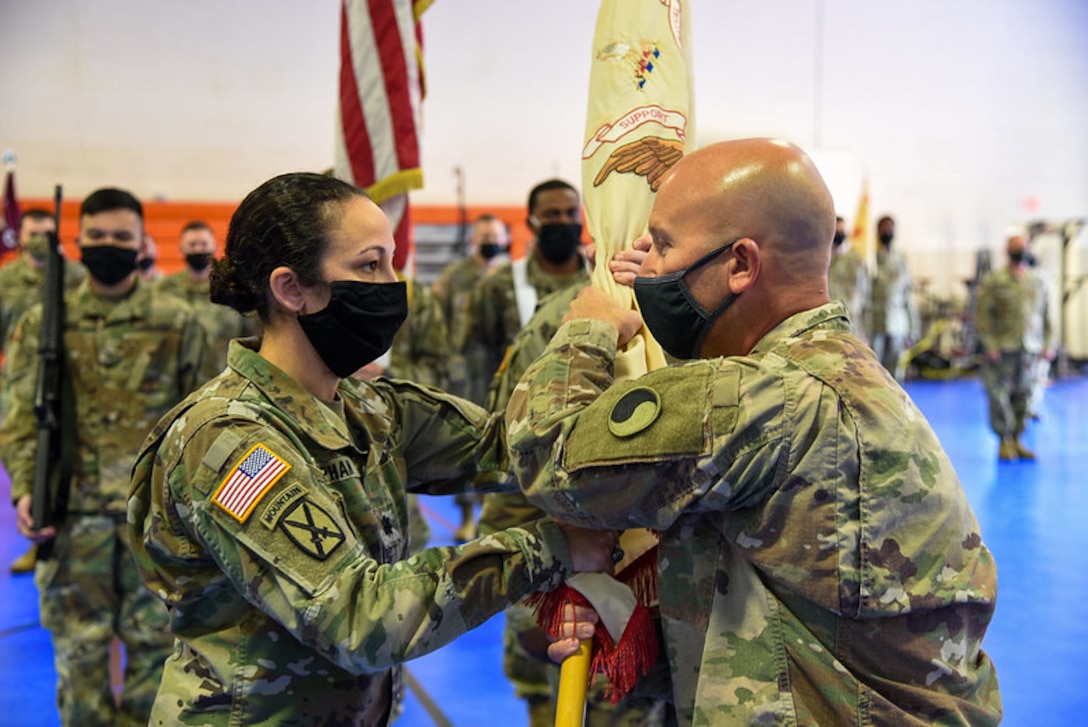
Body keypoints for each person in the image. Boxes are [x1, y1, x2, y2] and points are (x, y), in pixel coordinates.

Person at [507, 138, 1002, 726]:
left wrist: (587, 329)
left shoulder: (766, 398)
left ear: (740, 265)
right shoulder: (834, 371)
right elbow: (780, 619)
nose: (648, 270)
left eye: (663, 246)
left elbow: (548, 456)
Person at [125, 171, 616, 726]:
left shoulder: (365, 407)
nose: (391, 282)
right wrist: (550, 548)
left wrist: (596, 317)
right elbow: (359, 617)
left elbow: (513, 445)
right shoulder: (228, 441)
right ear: (291, 290)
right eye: (368, 265)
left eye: (390, 260)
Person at [0, 187, 218, 726]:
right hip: (72, 526)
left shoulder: (180, 322)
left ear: (141, 242)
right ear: (78, 241)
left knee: (156, 658)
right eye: (96, 237)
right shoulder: (43, 324)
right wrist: (27, 487)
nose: (108, 246)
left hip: (156, 526)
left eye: (121, 237)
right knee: (80, 664)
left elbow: (207, 425)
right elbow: (21, 418)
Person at [0, 207, 87, 573]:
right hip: (21, 380)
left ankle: (78, 543)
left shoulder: (77, 276)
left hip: (69, 383)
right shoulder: (5, 281)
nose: (39, 240)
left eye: (47, 233)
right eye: (33, 232)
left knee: (70, 463)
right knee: (27, 460)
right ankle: (35, 542)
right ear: (20, 235)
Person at [462, 179, 589, 390]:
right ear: (532, 224)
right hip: (519, 412)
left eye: (571, 213)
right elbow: (476, 361)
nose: (564, 221)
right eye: (552, 215)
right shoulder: (499, 286)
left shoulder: (602, 280)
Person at [974, 233, 1052, 461]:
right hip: (1002, 349)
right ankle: (1004, 440)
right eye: (1015, 246)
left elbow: (1047, 314)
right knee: (999, 396)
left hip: (1030, 348)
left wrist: (1049, 343)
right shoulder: (995, 280)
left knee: (1025, 395)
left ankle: (1018, 439)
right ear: (1008, 251)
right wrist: (990, 345)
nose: (1020, 250)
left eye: (1023, 246)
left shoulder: (1037, 280)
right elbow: (983, 316)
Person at [157, 220, 260, 372]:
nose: (199, 249)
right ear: (181, 249)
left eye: (204, 244)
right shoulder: (164, 289)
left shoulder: (233, 288)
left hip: (226, 379)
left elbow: (252, 335)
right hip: (177, 380)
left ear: (214, 247)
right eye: (192, 245)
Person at [433, 213, 511, 405]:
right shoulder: (455, 275)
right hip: (463, 364)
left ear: (505, 239)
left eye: (495, 236)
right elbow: (437, 316)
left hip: (502, 362)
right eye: (485, 237)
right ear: (473, 239)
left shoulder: (510, 275)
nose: (491, 241)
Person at [870, 214, 920, 380]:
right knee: (873, 372)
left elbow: (907, 297)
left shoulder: (901, 260)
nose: (887, 232)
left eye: (890, 228)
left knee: (895, 376)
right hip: (875, 325)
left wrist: (913, 328)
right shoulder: (871, 259)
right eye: (884, 228)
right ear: (877, 232)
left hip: (898, 324)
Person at [827, 214, 870, 339]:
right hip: (827, 323)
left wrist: (865, 333)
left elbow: (865, 297)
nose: (839, 234)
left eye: (842, 230)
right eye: (836, 230)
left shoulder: (855, 260)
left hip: (851, 322)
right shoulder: (821, 259)